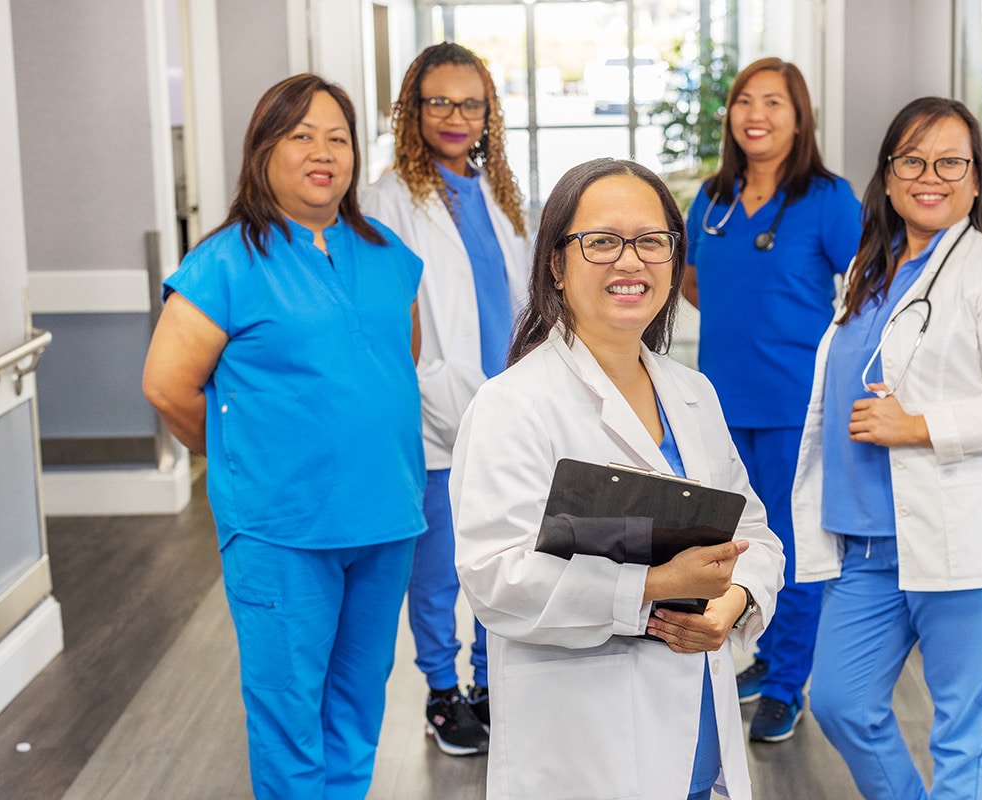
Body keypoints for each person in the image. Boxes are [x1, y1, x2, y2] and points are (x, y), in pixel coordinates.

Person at [450, 158, 785, 800]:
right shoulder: (513, 405)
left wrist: (734, 601)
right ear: (556, 263)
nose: (630, 262)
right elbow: (496, 580)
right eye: (601, 241)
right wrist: (655, 585)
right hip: (584, 753)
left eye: (651, 241)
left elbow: (756, 536)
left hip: (697, 741)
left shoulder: (692, 394)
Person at [141, 74, 425, 799]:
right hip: (281, 531)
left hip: (385, 517)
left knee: (358, 706)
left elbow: (399, 360)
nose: (321, 152)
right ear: (263, 150)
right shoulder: (226, 261)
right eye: (300, 135)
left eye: (337, 137)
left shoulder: (388, 253)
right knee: (289, 716)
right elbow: (167, 387)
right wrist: (250, 456)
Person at [790, 96, 982, 799]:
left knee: (960, 732)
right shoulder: (866, 273)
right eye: (912, 159)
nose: (929, 175)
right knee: (841, 705)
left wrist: (919, 426)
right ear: (887, 174)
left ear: (974, 180)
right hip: (867, 544)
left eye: (950, 162)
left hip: (960, 541)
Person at [682, 56, 862, 742]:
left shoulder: (828, 198)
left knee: (794, 545)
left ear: (798, 116)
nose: (756, 114)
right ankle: (760, 655)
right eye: (745, 101)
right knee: (733, 544)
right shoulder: (713, 197)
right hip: (718, 405)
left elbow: (868, 287)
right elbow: (694, 281)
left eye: (774, 103)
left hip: (795, 406)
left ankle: (787, 681)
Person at [360, 41, 530, 757]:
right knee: (435, 570)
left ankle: (493, 681)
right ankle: (441, 688)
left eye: (470, 103)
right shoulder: (386, 199)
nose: (456, 116)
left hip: (510, 412)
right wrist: (431, 393)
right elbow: (390, 321)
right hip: (432, 418)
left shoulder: (501, 195)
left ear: (488, 112)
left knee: (507, 557)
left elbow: (517, 302)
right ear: (413, 111)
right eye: (439, 102)